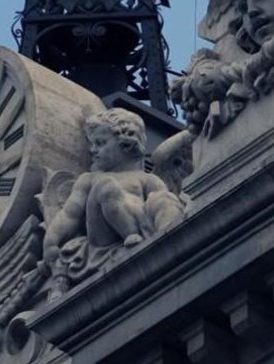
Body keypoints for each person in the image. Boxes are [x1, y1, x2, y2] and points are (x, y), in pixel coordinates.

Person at [43, 108, 183, 260]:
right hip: (104, 237)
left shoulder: (146, 179)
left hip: (141, 223)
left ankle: (170, 237)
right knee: (106, 186)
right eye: (92, 144)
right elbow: (70, 214)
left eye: (100, 143)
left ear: (126, 145)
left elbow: (162, 202)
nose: (93, 150)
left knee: (163, 198)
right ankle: (130, 234)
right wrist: (50, 242)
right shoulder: (90, 179)